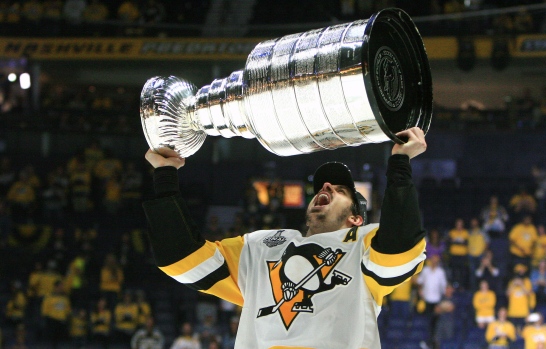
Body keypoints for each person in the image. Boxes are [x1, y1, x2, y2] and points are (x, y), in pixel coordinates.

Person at [142, 127, 428, 348]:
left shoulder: (363, 244)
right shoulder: (261, 247)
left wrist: (400, 163)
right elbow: (181, 258)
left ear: (355, 219)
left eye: (340, 190)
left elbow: (400, 247)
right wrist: (165, 175)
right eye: (323, 187)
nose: (325, 186)